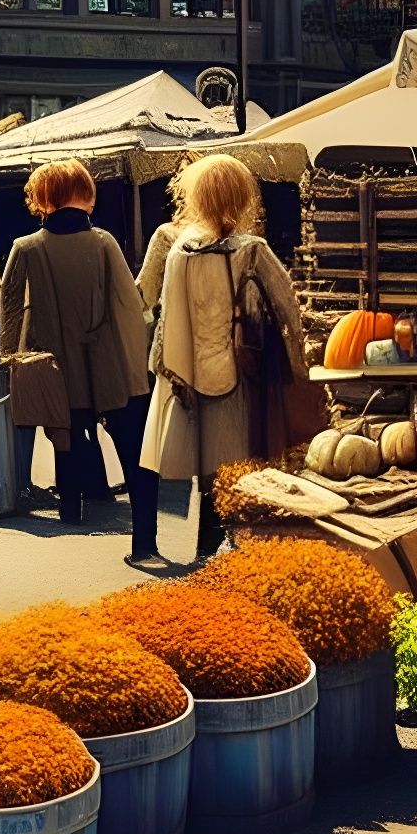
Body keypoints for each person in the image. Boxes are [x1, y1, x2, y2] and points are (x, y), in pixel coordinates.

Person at [140, 154, 325, 559]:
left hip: (189, 376)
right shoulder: (253, 251)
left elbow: (168, 320)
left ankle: (206, 553)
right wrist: (300, 366)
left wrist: (170, 376)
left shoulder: (181, 251)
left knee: (208, 472)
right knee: (240, 468)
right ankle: (232, 555)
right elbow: (290, 311)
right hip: (241, 376)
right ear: (243, 198)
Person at [0, 159, 159, 564]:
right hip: (109, 365)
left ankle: (71, 513)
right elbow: (128, 305)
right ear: (87, 197)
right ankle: (144, 543)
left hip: (54, 366)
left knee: (64, 435)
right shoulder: (104, 243)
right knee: (133, 451)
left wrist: (11, 358)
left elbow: (10, 306)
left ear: (42, 200)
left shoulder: (25, 247)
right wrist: (137, 369)